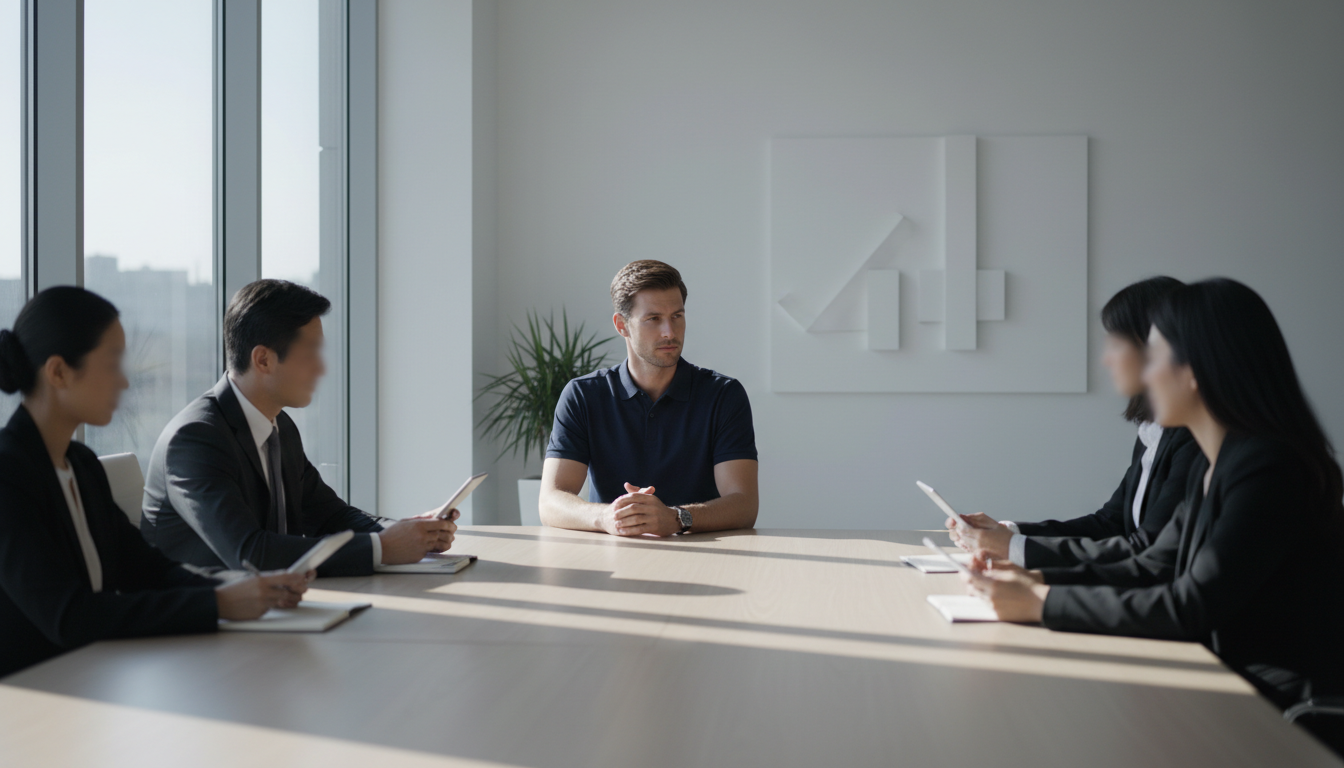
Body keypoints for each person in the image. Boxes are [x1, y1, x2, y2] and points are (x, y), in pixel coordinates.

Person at [963, 279, 1344, 745]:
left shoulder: (1268, 468)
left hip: (1271, 708)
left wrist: (1042, 603)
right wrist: (1035, 582)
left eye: (1156, 358)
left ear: (1196, 370)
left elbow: (1191, 605)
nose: (1145, 375)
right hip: (1216, 684)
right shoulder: (1218, 462)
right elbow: (1153, 567)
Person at [0, 287, 308, 679]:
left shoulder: (80, 465)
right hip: (33, 701)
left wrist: (247, 587)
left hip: (93, 678)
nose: (124, 383)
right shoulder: (8, 476)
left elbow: (148, 569)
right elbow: (70, 616)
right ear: (58, 371)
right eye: (111, 364)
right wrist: (217, 603)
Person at [141, 280, 458, 575]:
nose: (321, 368)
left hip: (272, 609)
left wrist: (408, 532)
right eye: (311, 353)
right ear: (263, 360)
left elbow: (330, 515)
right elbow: (249, 553)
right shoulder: (196, 438)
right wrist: (383, 547)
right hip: (204, 624)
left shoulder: (279, 427)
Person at [947, 277, 1200, 568]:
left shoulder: (1194, 440)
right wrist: (1009, 534)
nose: (1107, 359)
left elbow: (1148, 550)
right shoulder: (1154, 431)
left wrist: (1017, 553)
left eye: (1116, 342)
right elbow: (1111, 523)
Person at [539, 260, 758, 536]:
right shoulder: (583, 395)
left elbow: (744, 504)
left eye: (677, 316)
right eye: (653, 319)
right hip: (611, 559)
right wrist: (607, 517)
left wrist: (677, 518)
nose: (669, 331)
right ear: (622, 326)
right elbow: (550, 501)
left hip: (701, 555)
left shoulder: (723, 395)